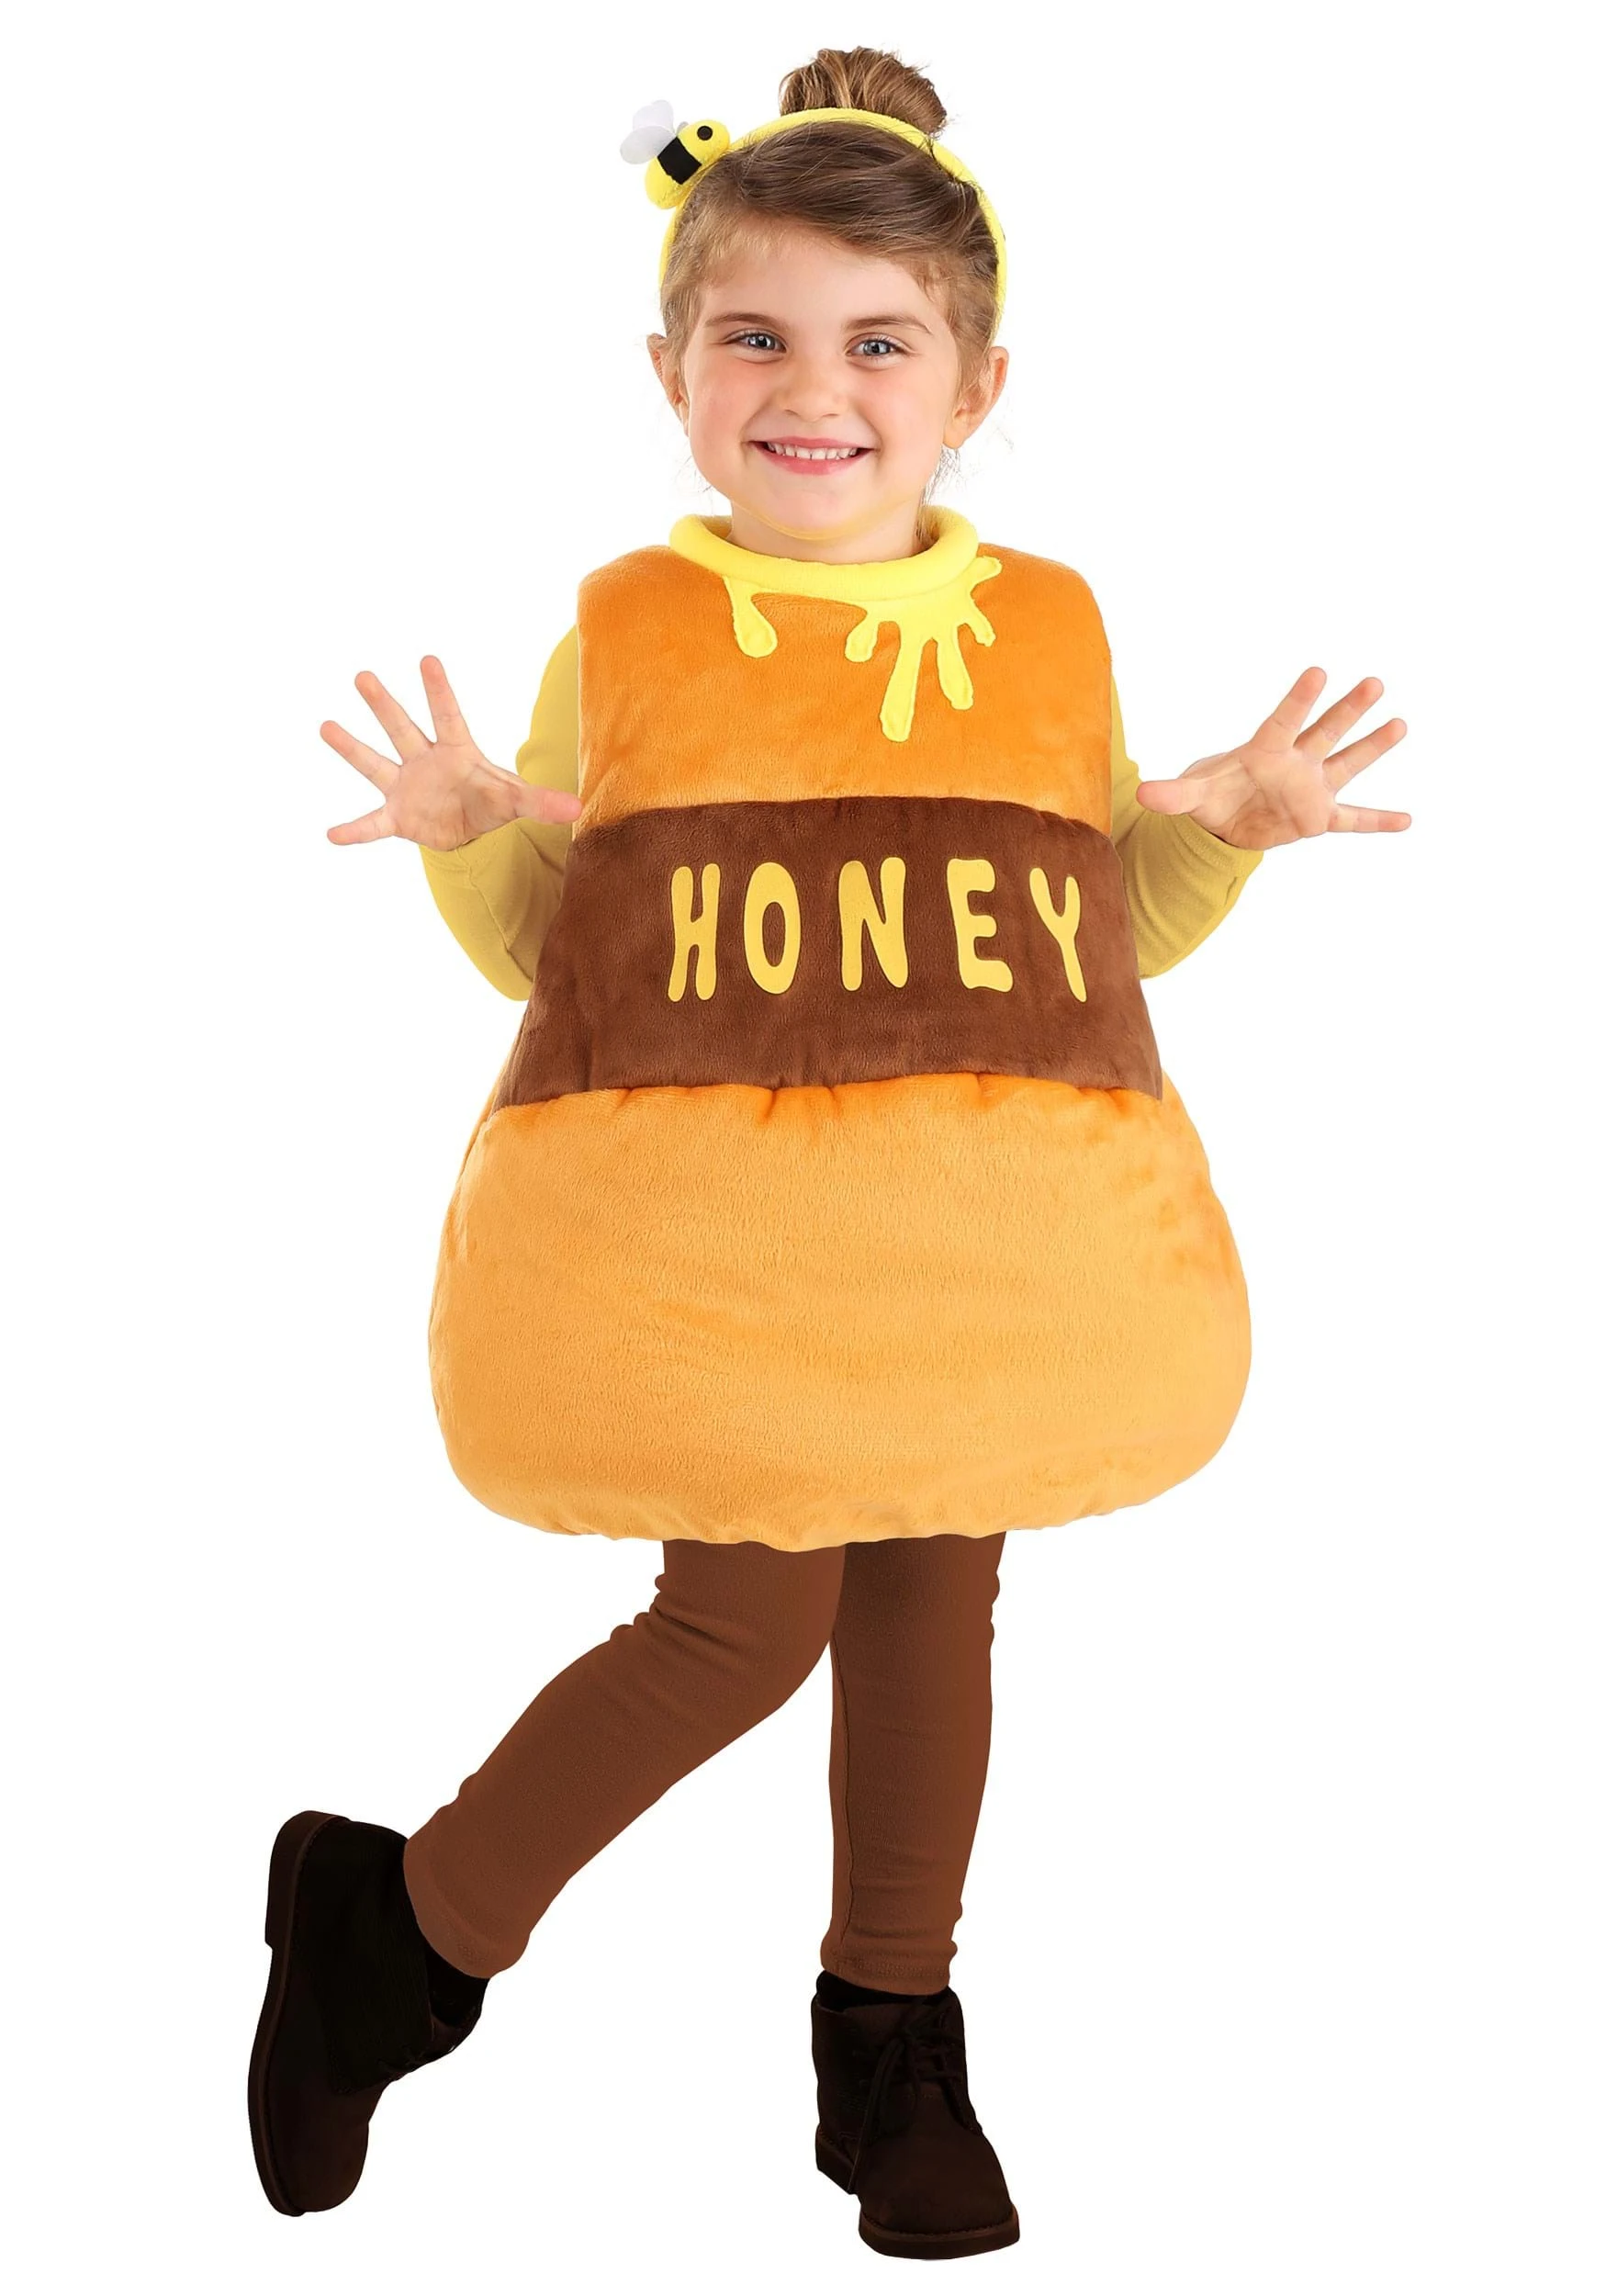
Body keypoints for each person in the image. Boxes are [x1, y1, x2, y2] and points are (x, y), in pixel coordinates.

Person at [248, 45, 1409, 2262]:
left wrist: (1225, 833)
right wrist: (464, 836)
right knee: (740, 1616)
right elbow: (567, 958)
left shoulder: (1046, 627)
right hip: (734, 1265)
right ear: (669, 370)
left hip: (969, 1244)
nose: (813, 390)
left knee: (938, 1605)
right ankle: (406, 1918)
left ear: (975, 383)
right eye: (754, 337)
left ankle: (889, 2034)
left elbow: (1078, 934)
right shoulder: (629, 630)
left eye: (879, 343)